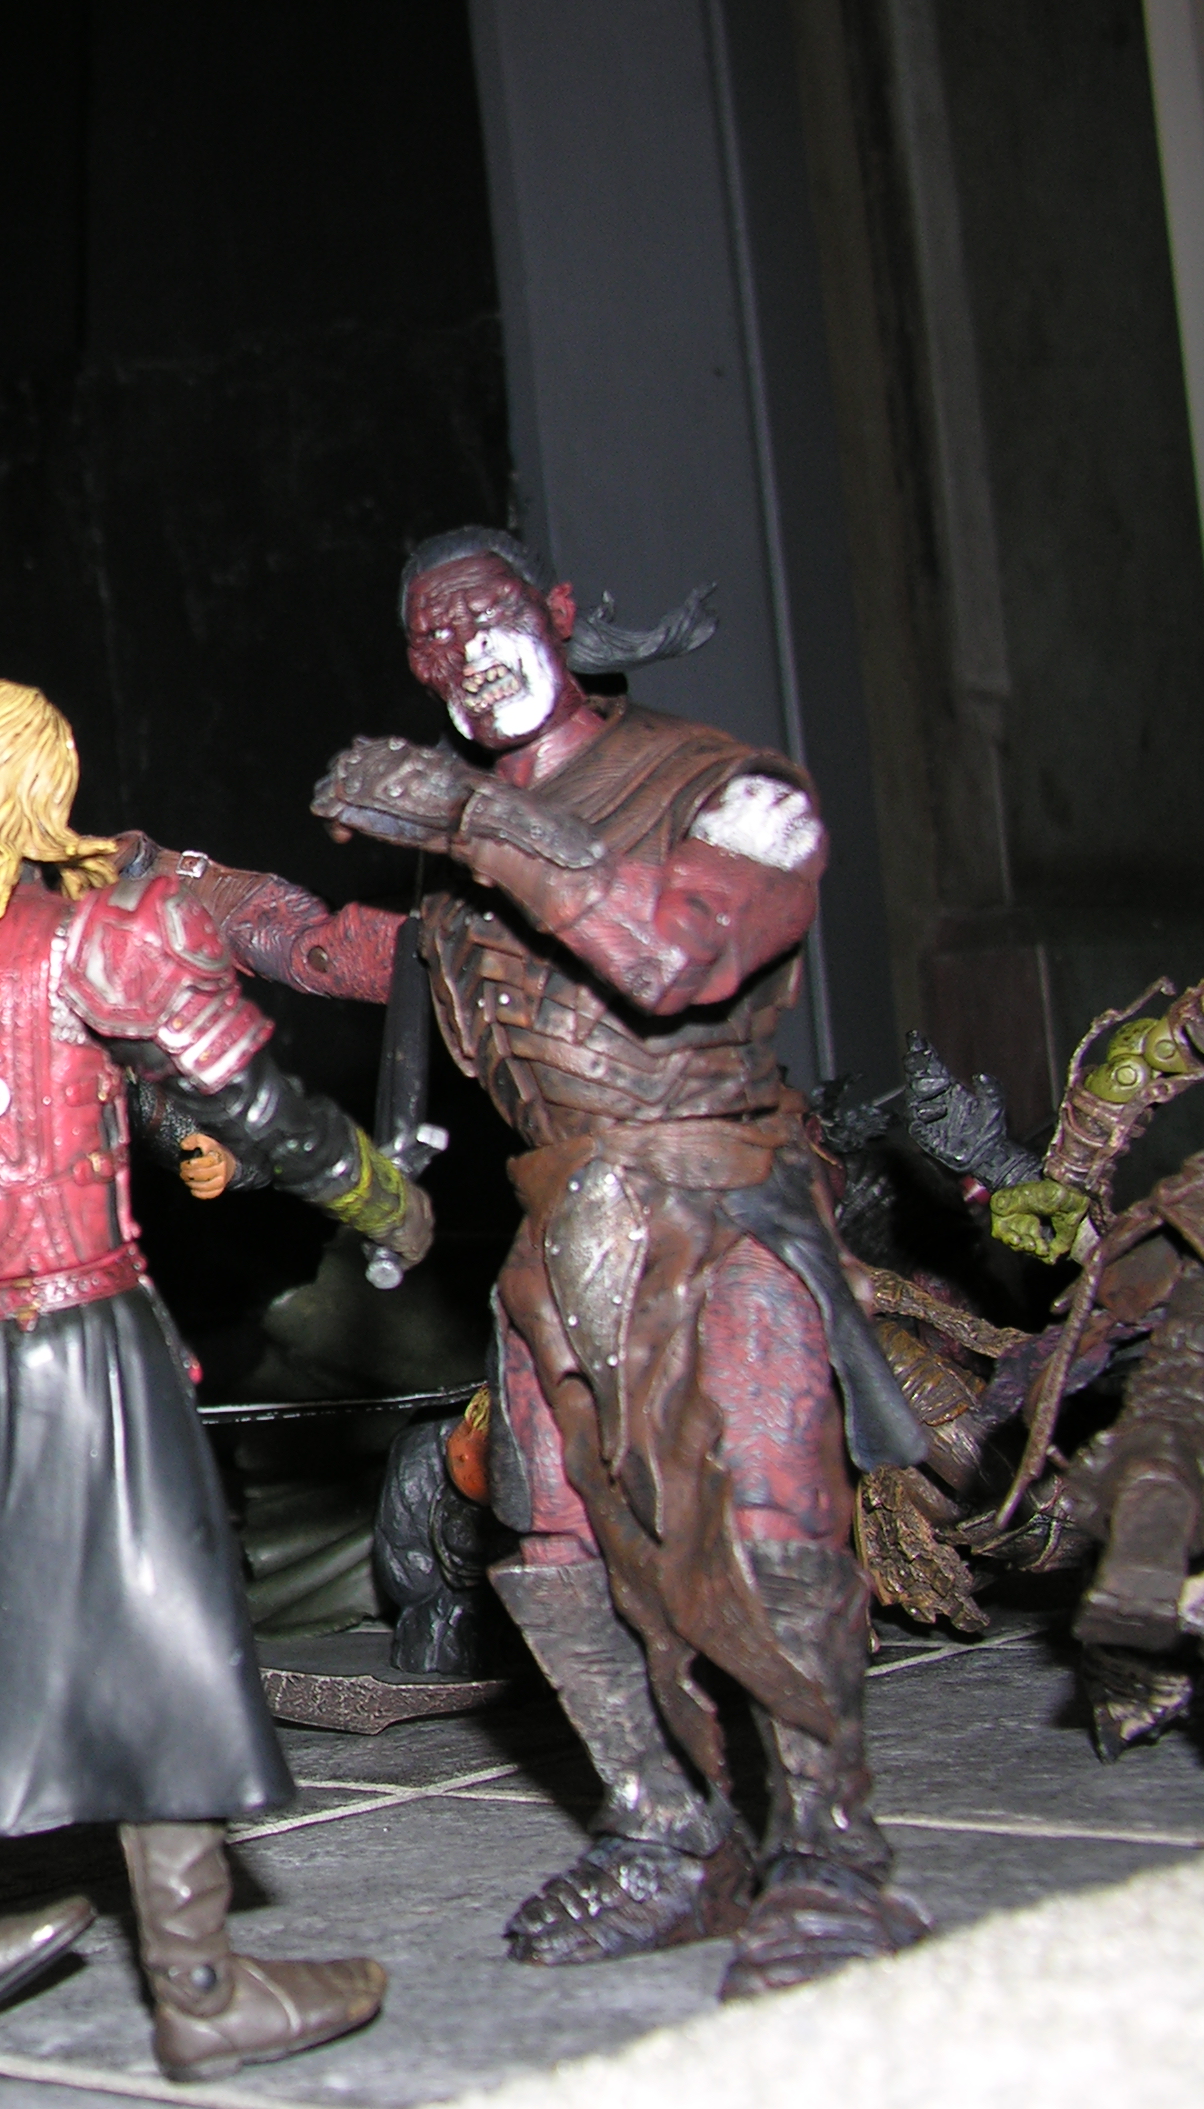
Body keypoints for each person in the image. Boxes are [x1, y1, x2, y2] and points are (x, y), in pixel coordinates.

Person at [301, 527, 930, 1997]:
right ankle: (664, 1835)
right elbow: (379, 960)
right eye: (434, 639)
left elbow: (674, 955)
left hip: (717, 1204)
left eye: (490, 616)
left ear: (562, 613)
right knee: (556, 1539)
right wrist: (187, 901)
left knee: (769, 1514)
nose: (468, 654)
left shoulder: (729, 788)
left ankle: (831, 1854)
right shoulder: (461, 864)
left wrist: (471, 816)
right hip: (560, 1228)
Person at [0, 679, 407, 2075]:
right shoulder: (86, 941)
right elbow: (256, 1104)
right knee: (156, 1634)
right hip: (86, 1337)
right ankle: (199, 1984)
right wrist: (379, 1194)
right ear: (37, 793)